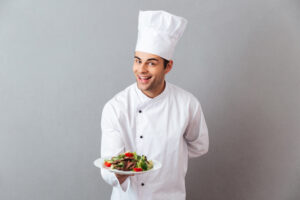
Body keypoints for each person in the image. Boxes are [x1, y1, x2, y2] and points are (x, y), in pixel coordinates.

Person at [100, 10, 209, 200]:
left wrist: (171, 155)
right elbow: (109, 166)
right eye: (137, 61)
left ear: (168, 67)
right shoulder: (116, 107)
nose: (141, 70)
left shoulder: (187, 104)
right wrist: (120, 171)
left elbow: (199, 145)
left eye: (151, 63)